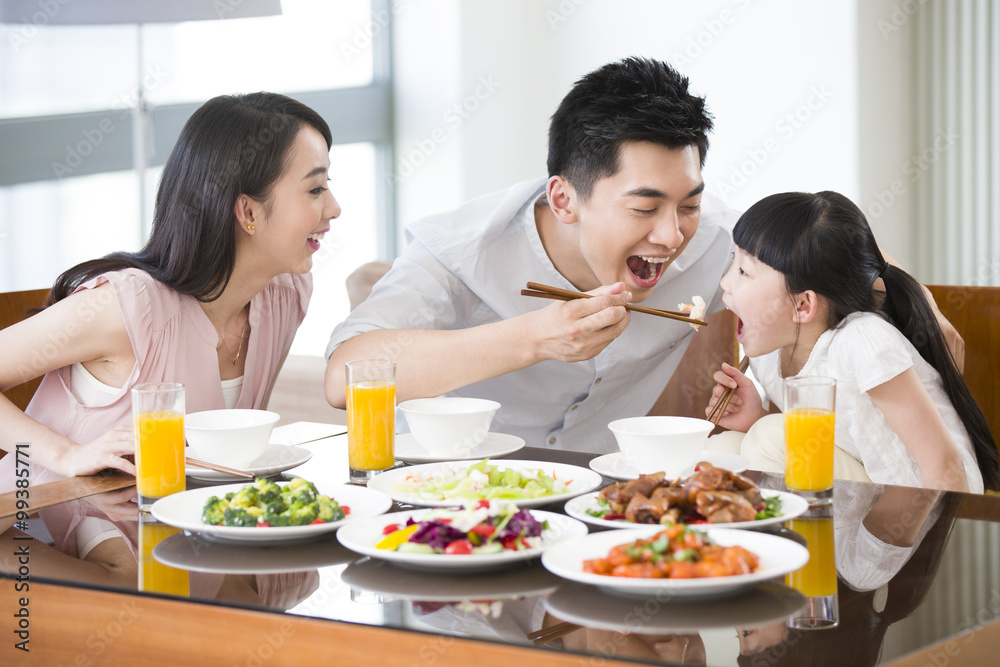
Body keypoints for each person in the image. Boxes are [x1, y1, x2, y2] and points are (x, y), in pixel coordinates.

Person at [325, 57, 736, 453]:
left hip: (599, 494)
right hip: (451, 483)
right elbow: (344, 378)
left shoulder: (720, 244)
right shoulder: (464, 250)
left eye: (689, 206)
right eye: (644, 209)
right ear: (563, 200)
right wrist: (533, 338)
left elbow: (796, 284)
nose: (671, 235)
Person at [0, 92, 341, 494]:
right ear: (248, 212)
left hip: (174, 529)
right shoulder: (126, 306)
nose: (334, 208)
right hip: (34, 529)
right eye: (315, 189)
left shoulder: (286, 293)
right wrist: (65, 455)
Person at [707, 191, 999, 493]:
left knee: (770, 436)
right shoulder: (768, 353)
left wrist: (911, 537)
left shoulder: (863, 342)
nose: (725, 283)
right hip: (865, 480)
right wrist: (756, 415)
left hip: (927, 498)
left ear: (804, 306)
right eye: (733, 262)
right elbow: (832, 439)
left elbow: (944, 466)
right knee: (723, 450)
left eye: (743, 271)